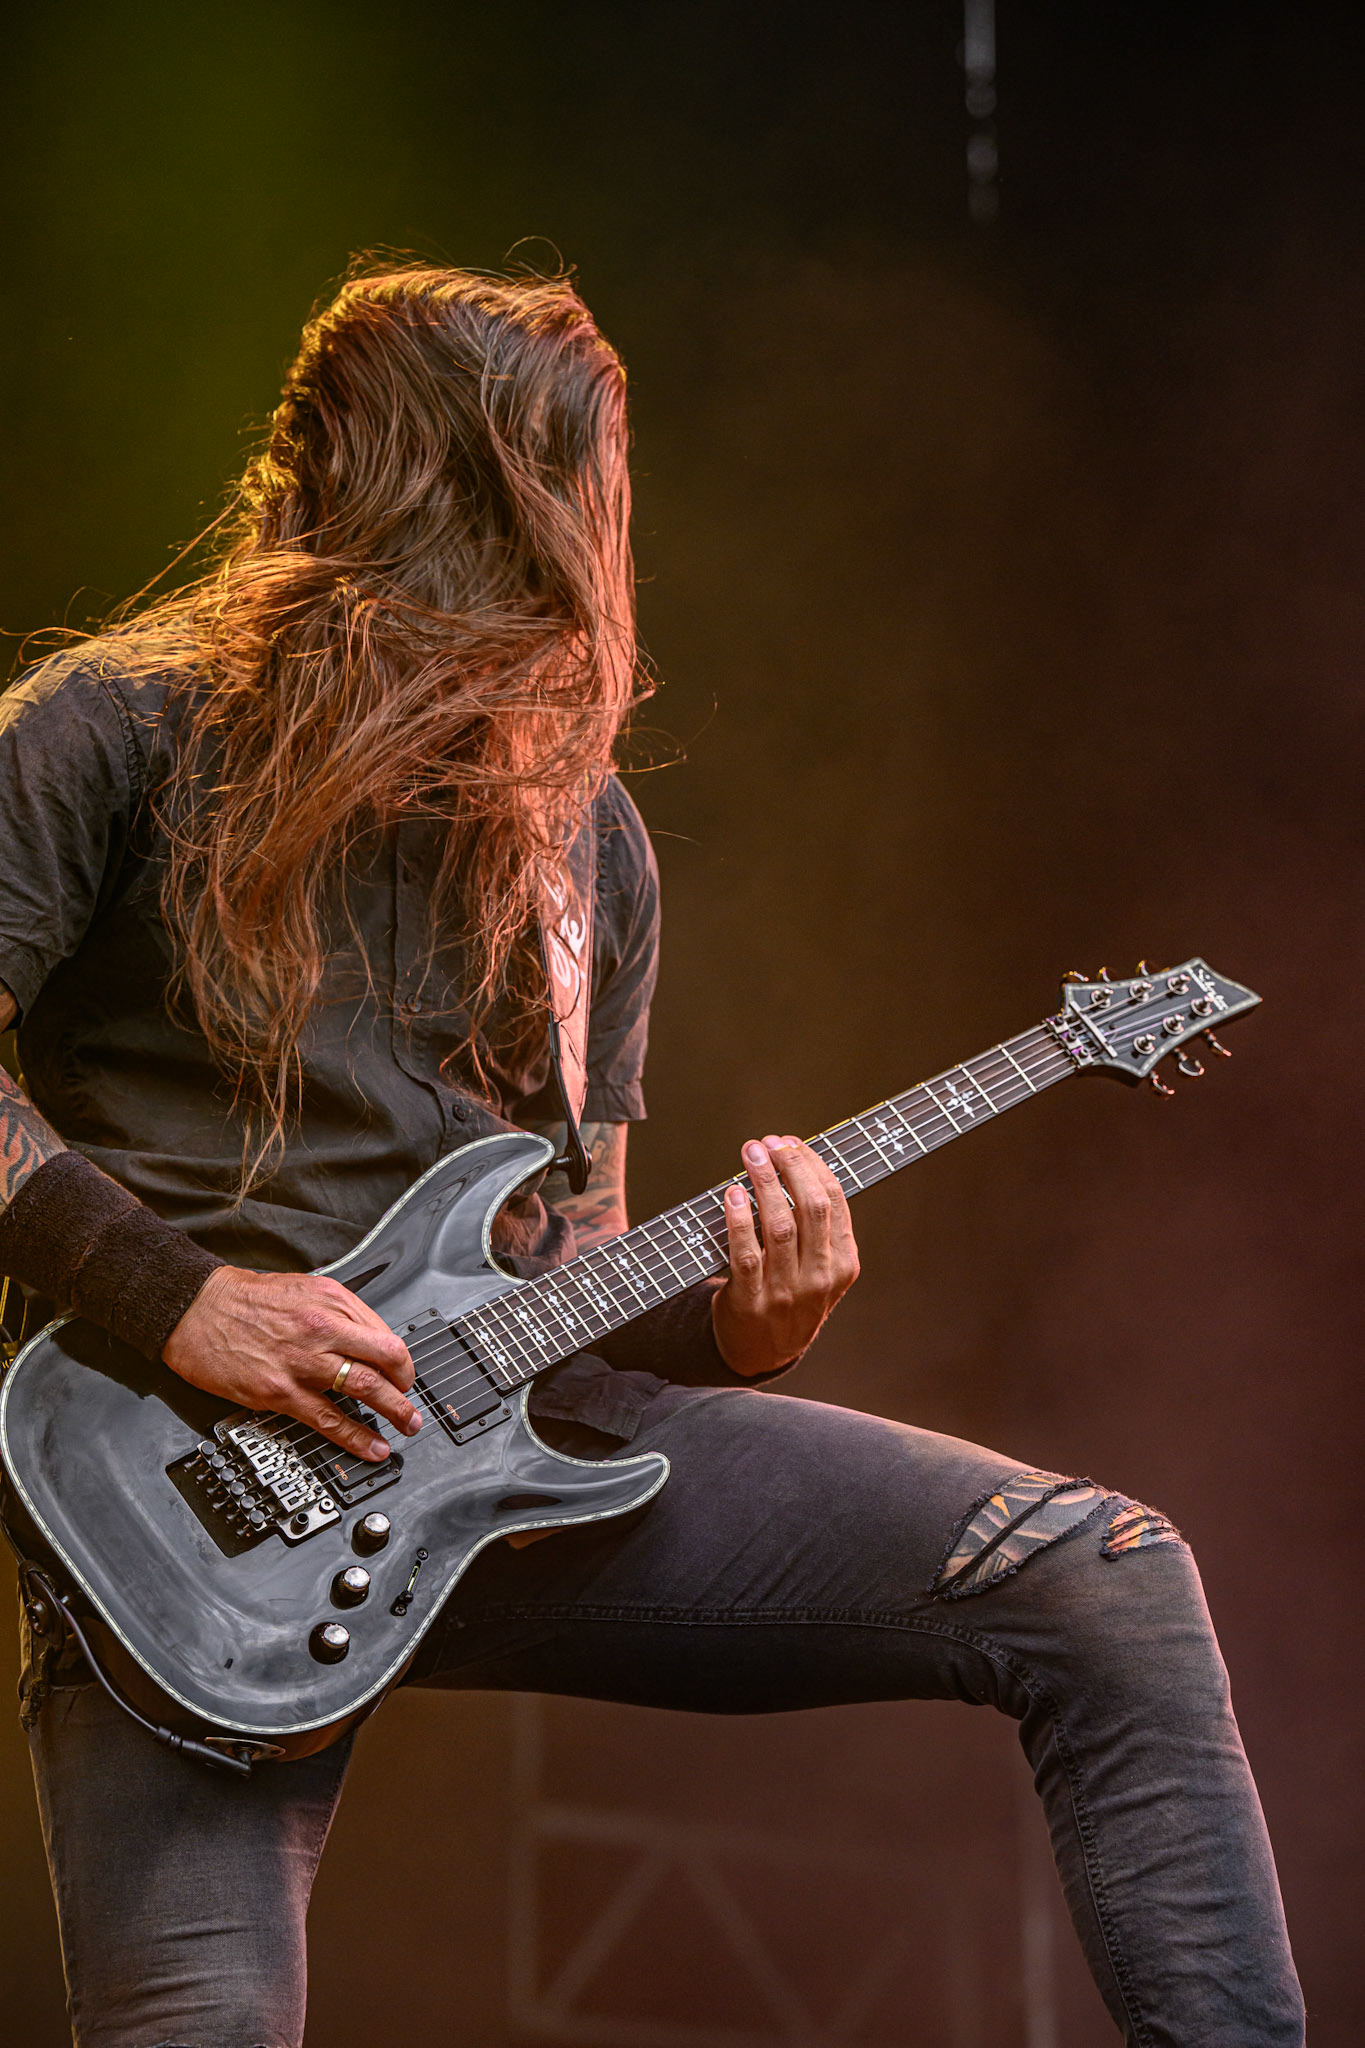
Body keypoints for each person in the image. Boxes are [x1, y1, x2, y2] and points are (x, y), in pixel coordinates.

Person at [0, 264, 1303, 2048]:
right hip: (169, 1512)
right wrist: (179, 1300)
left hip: (487, 1464)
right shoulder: (112, 731)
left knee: (1105, 1574)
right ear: (445, 493)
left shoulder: (580, 838)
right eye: (572, 491)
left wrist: (741, 1322)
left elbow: (575, 1271)